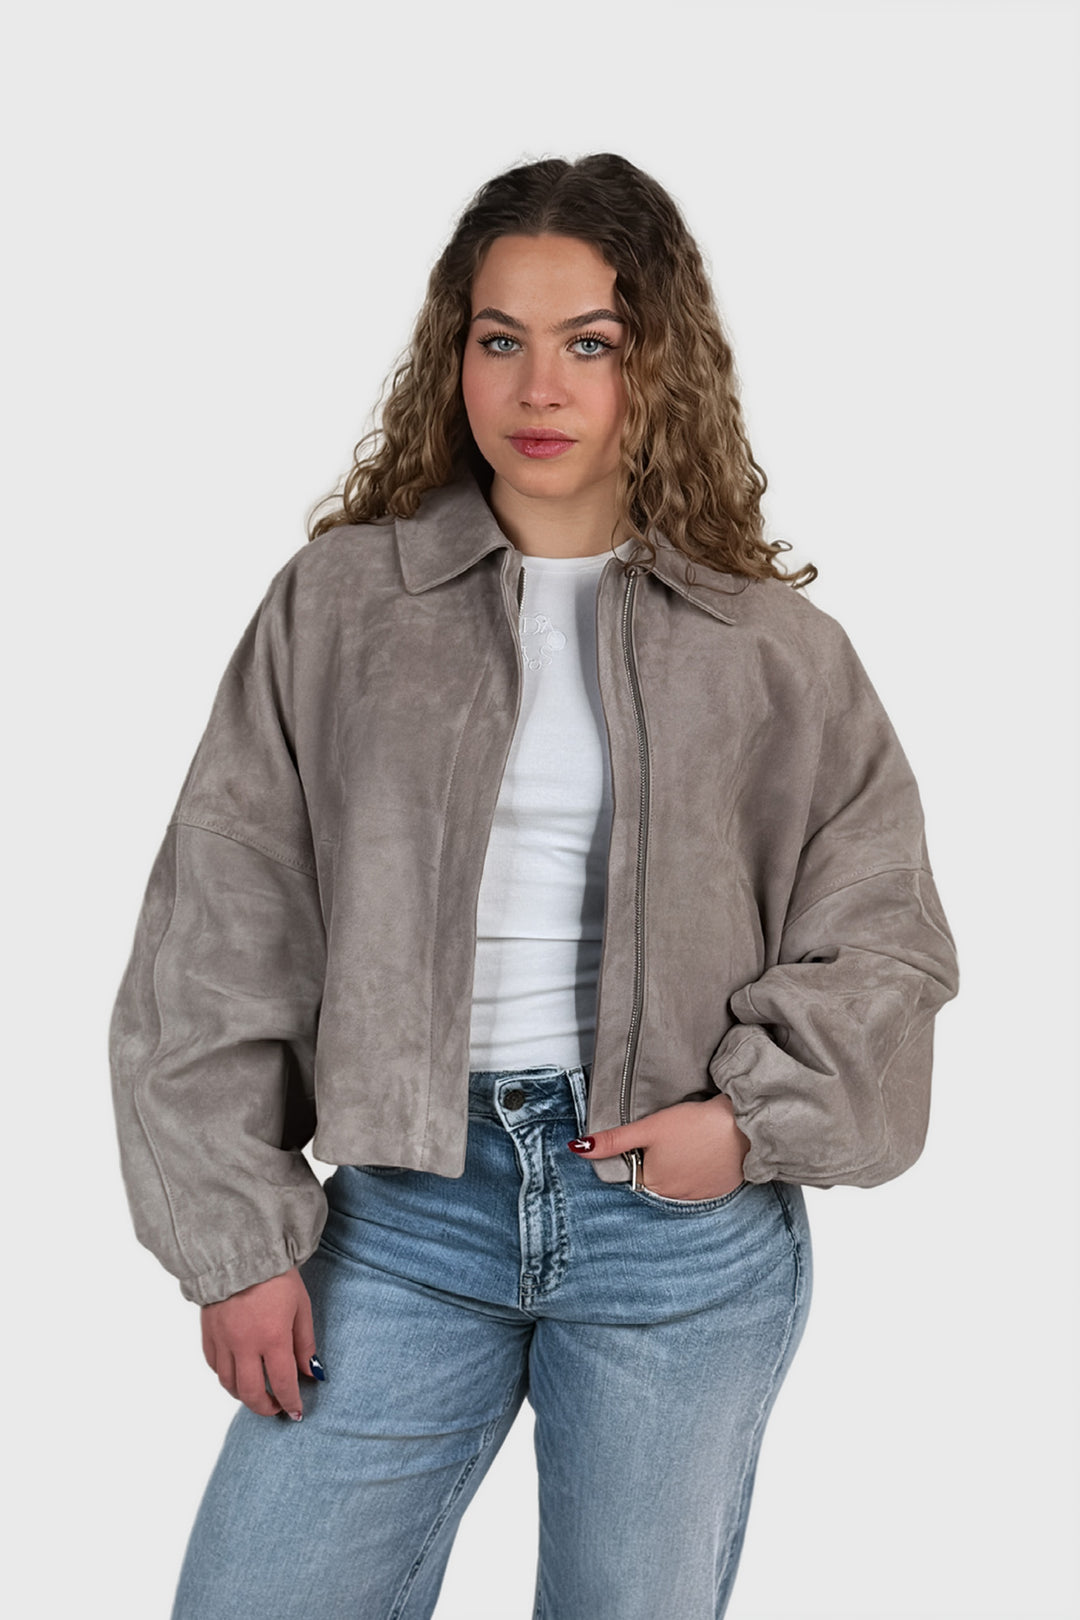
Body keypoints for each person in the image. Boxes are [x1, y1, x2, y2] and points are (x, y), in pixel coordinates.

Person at [108, 152, 959, 1620]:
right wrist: (236, 1243)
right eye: (500, 339)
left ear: (658, 365)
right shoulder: (342, 606)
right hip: (404, 1213)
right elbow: (220, 924)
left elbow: (883, 935)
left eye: (591, 343)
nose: (539, 386)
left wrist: (746, 1122)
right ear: (456, 357)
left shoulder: (771, 648)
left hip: (670, 1232)